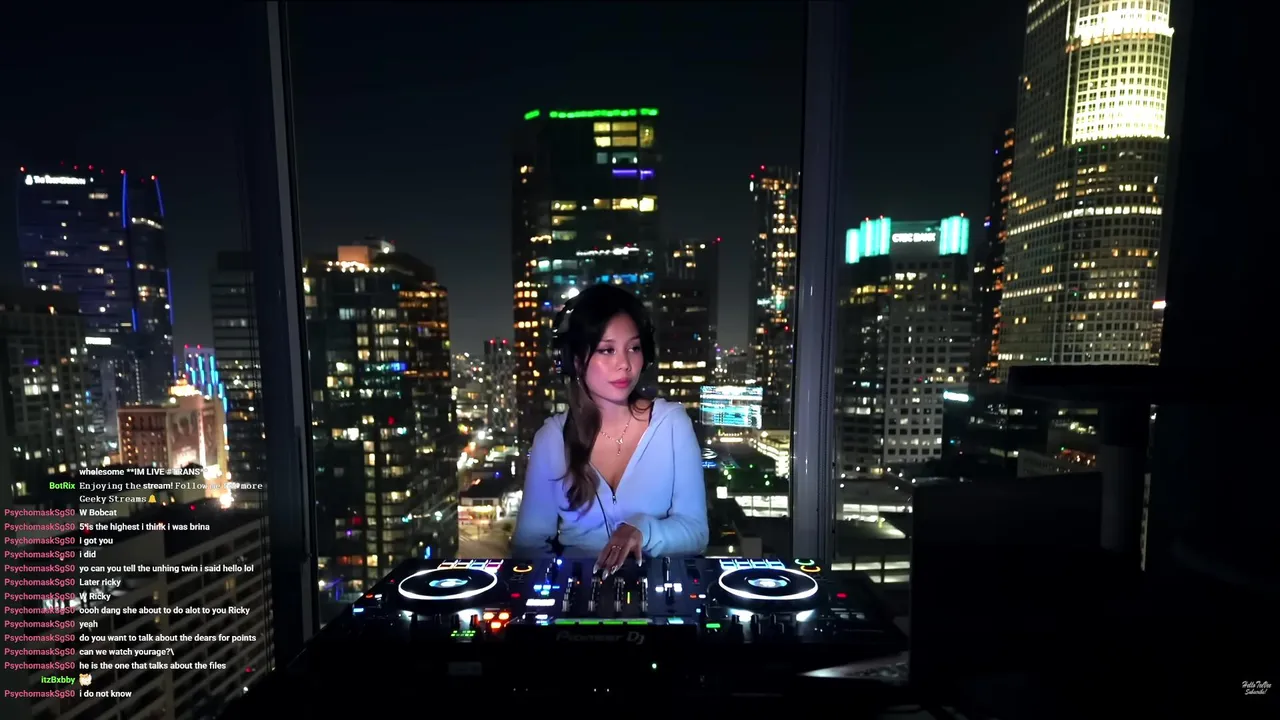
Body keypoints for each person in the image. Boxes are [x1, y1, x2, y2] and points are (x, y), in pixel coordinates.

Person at [510, 284, 709, 575]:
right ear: (575, 360)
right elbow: (529, 545)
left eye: (634, 348)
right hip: (577, 591)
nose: (625, 364)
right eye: (607, 350)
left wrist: (642, 530)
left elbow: (696, 532)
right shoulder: (550, 440)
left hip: (657, 584)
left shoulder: (672, 424)